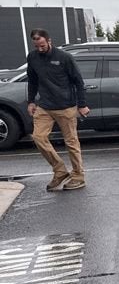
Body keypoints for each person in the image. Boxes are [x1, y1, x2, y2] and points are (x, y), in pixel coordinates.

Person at [25, 28, 91, 191]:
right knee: (38, 137)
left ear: (49, 41)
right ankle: (60, 170)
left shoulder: (64, 57)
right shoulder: (32, 57)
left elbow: (78, 81)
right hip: (44, 106)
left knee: (71, 142)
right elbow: (32, 80)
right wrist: (31, 101)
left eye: (42, 45)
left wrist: (82, 104)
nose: (40, 49)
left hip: (66, 106)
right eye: (36, 46)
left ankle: (78, 176)